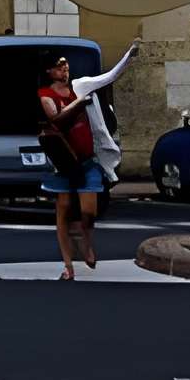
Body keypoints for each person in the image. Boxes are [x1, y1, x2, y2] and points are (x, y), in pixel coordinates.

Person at [38, 49, 122, 281]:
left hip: (87, 159)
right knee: (63, 210)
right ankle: (68, 266)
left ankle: (85, 240)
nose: (64, 68)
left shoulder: (80, 87)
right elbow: (56, 118)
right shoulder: (46, 94)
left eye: (65, 64)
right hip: (64, 161)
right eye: (59, 66)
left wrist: (129, 56)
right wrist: (78, 104)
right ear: (49, 71)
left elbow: (109, 76)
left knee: (89, 212)